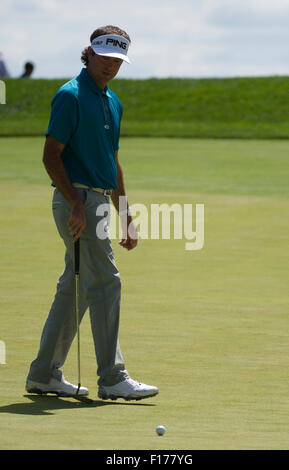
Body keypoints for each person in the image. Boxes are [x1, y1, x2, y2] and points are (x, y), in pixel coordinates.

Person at [25, 25, 159, 401]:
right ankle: (112, 377)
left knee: (76, 289)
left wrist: (126, 216)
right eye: (105, 57)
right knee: (105, 283)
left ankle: (44, 374)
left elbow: (112, 163)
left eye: (118, 60)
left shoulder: (113, 102)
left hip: (97, 200)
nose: (111, 66)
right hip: (77, 200)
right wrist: (76, 204)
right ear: (90, 52)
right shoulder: (70, 96)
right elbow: (51, 155)